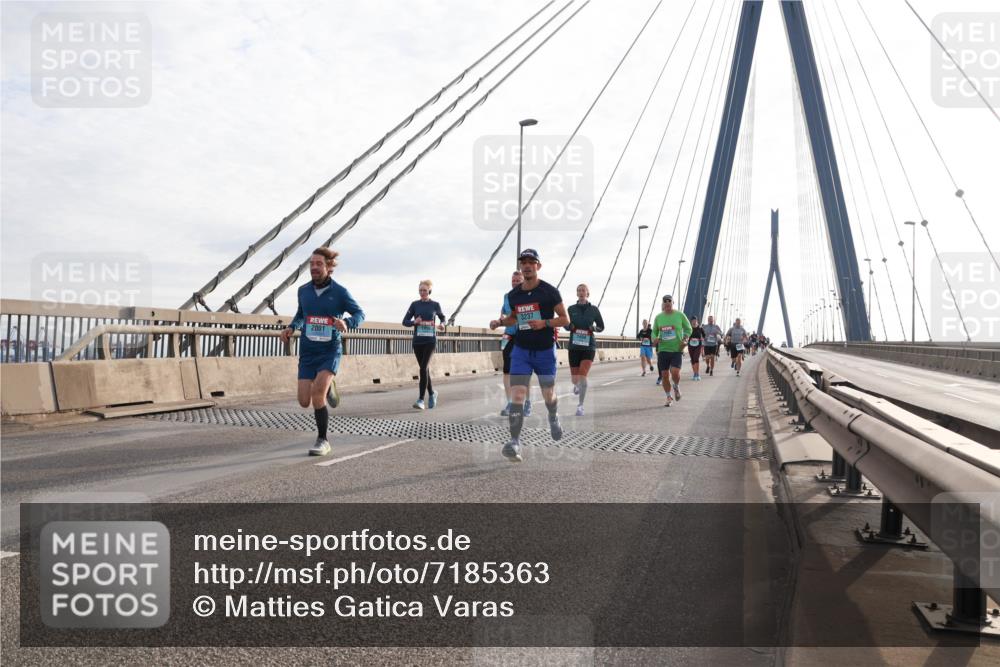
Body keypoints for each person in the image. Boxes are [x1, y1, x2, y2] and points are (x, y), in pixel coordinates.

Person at [281, 247, 365, 456]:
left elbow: (359, 313)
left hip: (330, 350)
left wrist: (347, 322)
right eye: (311, 264)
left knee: (317, 394)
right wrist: (292, 327)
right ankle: (329, 387)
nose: (314, 268)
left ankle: (323, 440)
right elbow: (301, 314)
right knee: (303, 401)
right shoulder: (303, 291)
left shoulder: (340, 292)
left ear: (328, 267)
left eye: (319, 264)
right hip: (308, 351)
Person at [489, 249, 569, 463]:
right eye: (523, 262)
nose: (526, 266)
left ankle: (553, 415)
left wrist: (545, 323)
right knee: (517, 396)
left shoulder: (550, 292)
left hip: (544, 351)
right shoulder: (515, 295)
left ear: (538, 266)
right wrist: (500, 322)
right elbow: (513, 318)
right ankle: (514, 442)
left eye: (531, 262)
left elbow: (565, 319)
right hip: (522, 351)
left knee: (548, 396)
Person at [402, 279, 447, 410]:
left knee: (422, 368)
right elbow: (404, 321)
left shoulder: (435, 305)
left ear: (429, 291)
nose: (422, 292)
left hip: (430, 341)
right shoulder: (414, 305)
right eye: (420, 290)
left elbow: (442, 318)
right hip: (417, 342)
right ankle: (432, 393)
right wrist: (414, 322)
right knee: (424, 369)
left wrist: (443, 324)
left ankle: (421, 399)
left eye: (425, 290)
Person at [565, 284, 605, 417]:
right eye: (579, 290)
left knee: (583, 376)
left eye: (583, 290)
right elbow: (565, 324)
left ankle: (580, 406)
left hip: (589, 346)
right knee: (575, 379)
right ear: (577, 293)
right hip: (574, 347)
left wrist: (594, 328)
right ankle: (576, 385)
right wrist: (569, 326)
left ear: (588, 293)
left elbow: (601, 327)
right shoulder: (571, 309)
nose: (581, 292)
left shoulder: (593, 309)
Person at [499, 271, 531, 417]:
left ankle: (527, 403)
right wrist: (501, 318)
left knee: (524, 372)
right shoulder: (507, 296)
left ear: (523, 281)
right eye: (513, 280)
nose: (515, 282)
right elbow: (503, 312)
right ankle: (510, 403)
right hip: (509, 335)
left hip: (524, 335)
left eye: (518, 280)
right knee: (507, 371)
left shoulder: (528, 295)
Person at [652, 294, 692, 407]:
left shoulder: (680, 315)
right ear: (663, 305)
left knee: (675, 373)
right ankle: (668, 397)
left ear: (672, 304)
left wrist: (685, 338)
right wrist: (654, 338)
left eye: (669, 304)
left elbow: (688, 328)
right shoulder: (658, 317)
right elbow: (653, 331)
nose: (668, 306)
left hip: (676, 349)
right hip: (663, 350)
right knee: (664, 375)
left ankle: (676, 386)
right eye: (666, 304)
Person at [687, 316, 705, 381]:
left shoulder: (700, 328)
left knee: (696, 358)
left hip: (698, 345)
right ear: (691, 321)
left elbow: (704, 336)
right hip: (690, 345)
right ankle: (695, 374)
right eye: (693, 320)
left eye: (695, 320)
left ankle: (697, 374)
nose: (694, 321)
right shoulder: (689, 328)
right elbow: (686, 336)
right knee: (692, 359)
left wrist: (702, 339)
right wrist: (688, 339)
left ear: (697, 321)